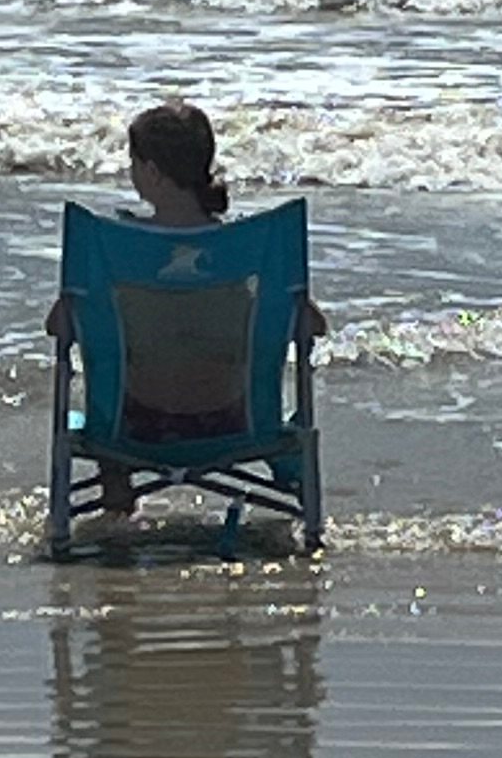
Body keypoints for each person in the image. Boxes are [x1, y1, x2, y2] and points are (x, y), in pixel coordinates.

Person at [47, 99, 320, 525]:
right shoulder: (246, 251)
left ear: (152, 172)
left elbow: (60, 328)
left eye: (133, 163)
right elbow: (308, 327)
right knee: (274, 405)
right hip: (237, 424)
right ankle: (289, 474)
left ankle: (116, 479)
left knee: (100, 392)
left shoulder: (116, 249)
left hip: (133, 430)